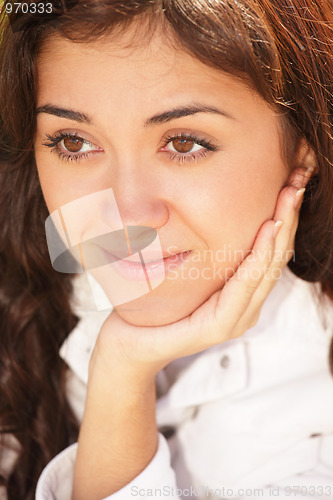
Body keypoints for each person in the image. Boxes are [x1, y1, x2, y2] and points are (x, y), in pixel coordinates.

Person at [0, 0, 332, 498]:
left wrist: (121, 369)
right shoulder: (19, 301)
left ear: (303, 144)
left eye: (183, 143)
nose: (126, 213)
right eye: (73, 142)